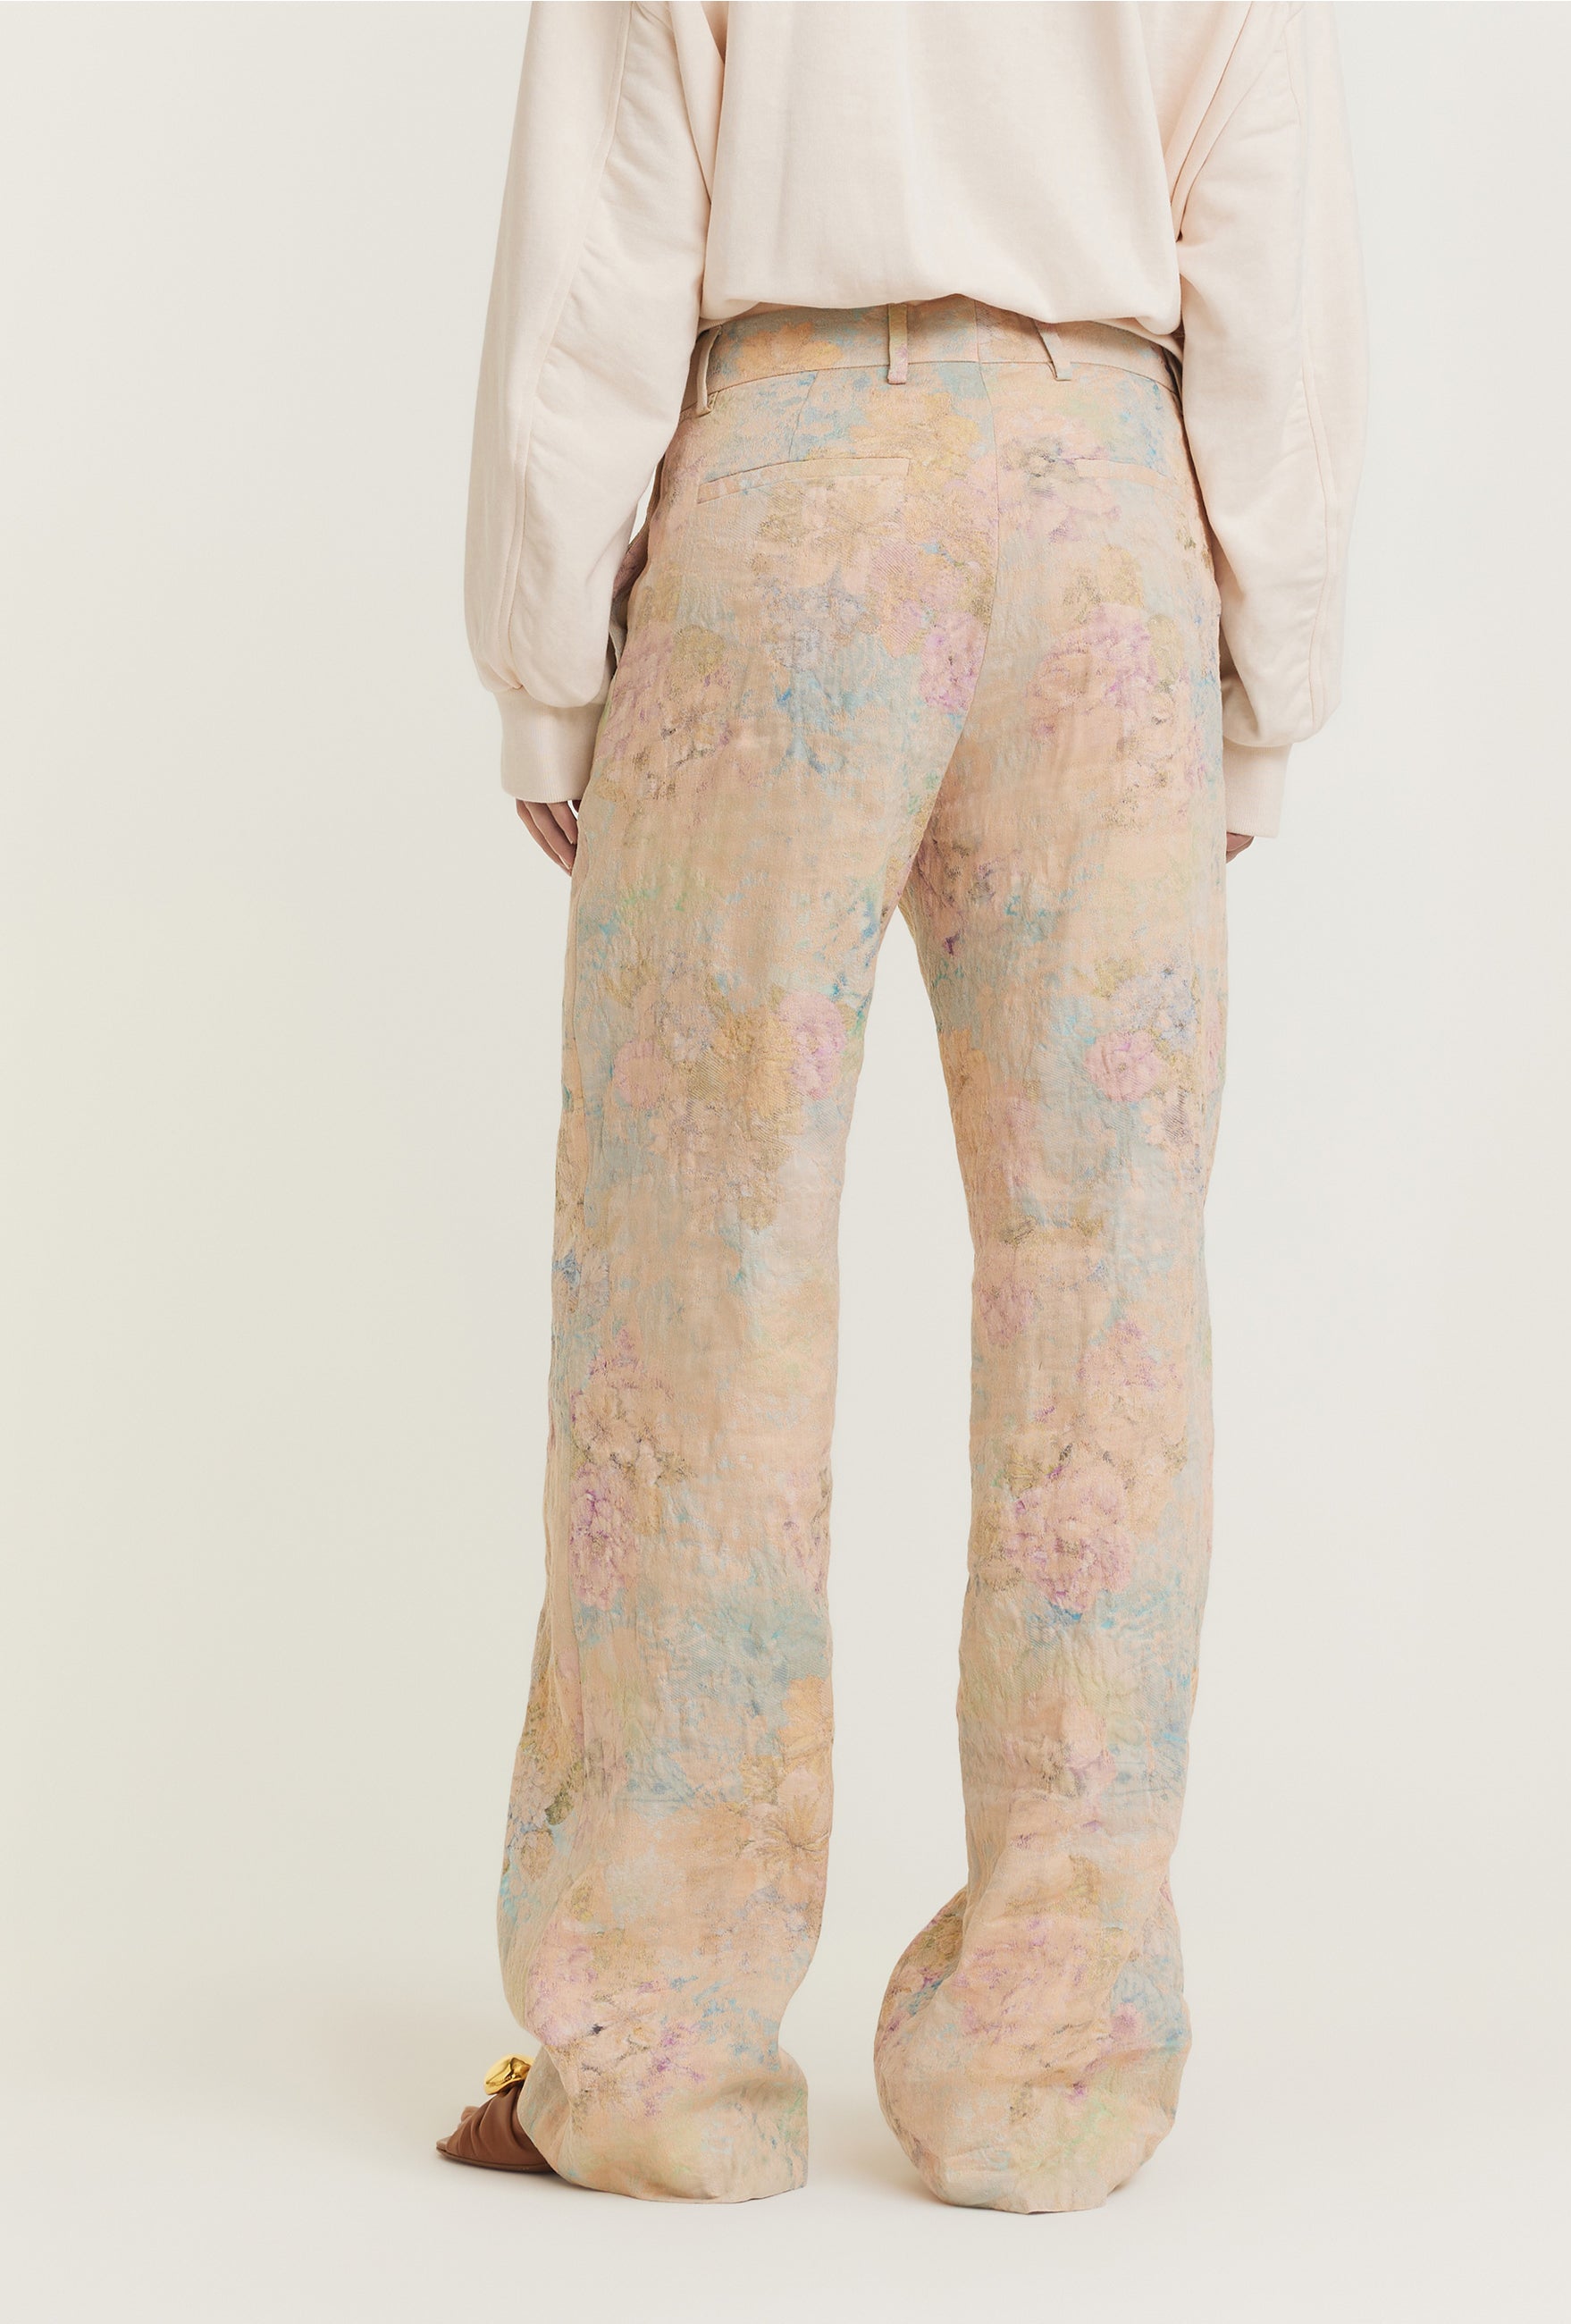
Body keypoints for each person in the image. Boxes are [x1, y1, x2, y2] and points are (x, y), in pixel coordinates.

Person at [438, 0, 1365, 2212]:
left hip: (787, 497)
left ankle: (659, 2058)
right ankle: (1051, 2067)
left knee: (694, 1271)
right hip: (1106, 519)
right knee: (1103, 1301)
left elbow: (604, 236)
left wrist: (547, 670)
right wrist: (1263, 683)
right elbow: (1272, 244)